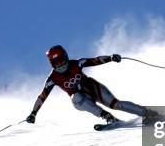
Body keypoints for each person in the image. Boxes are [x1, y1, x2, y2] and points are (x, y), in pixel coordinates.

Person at [26, 45, 155, 125]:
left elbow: (95, 60)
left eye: (60, 61)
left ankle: (148, 113)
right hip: (81, 100)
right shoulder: (53, 78)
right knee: (75, 97)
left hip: (92, 88)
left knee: (116, 104)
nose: (60, 65)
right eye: (56, 62)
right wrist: (33, 113)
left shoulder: (76, 63)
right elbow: (42, 96)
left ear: (65, 57)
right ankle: (107, 117)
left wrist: (110, 58)